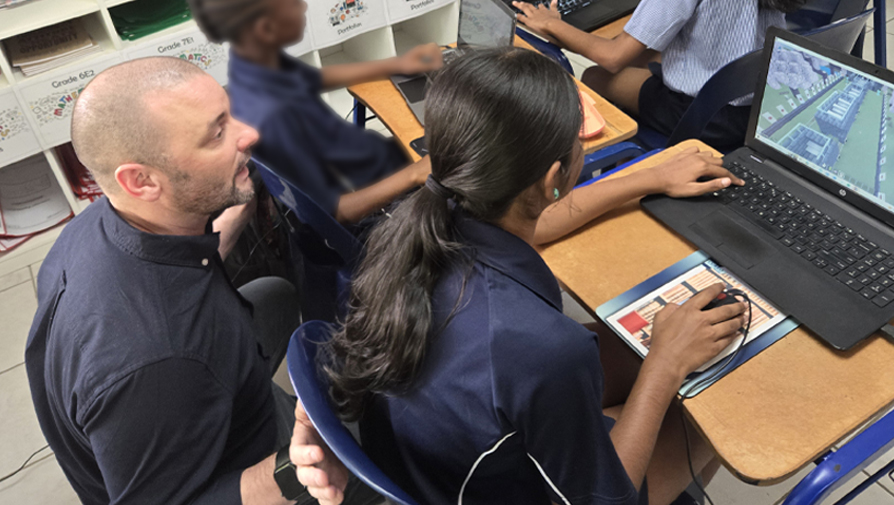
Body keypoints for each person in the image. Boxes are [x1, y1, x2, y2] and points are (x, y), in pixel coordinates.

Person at [323, 48, 747, 504]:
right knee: (708, 411)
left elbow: (538, 219)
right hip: (507, 487)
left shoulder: (420, 223)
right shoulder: (541, 345)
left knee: (631, 346)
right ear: (553, 178)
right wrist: (664, 365)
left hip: (439, 463)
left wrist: (651, 178)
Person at [25, 57, 374, 505]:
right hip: (213, 463)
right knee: (379, 459)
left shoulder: (98, 224)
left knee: (276, 295)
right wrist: (294, 467)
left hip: (190, 393)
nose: (248, 134)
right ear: (142, 180)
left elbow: (179, 261)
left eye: (229, 114)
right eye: (217, 134)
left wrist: (240, 197)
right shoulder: (158, 363)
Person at [188, 0, 442, 224]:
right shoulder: (275, 117)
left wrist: (398, 63)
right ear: (266, 27)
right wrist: (414, 174)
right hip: (380, 198)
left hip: (373, 161)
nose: (303, 6)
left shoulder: (252, 61)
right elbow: (338, 212)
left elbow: (313, 78)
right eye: (293, 3)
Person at [513, 0, 806, 150]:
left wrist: (552, 25)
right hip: (756, 111)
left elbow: (612, 58)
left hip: (704, 117)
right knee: (649, 55)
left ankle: (628, 146)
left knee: (593, 76)